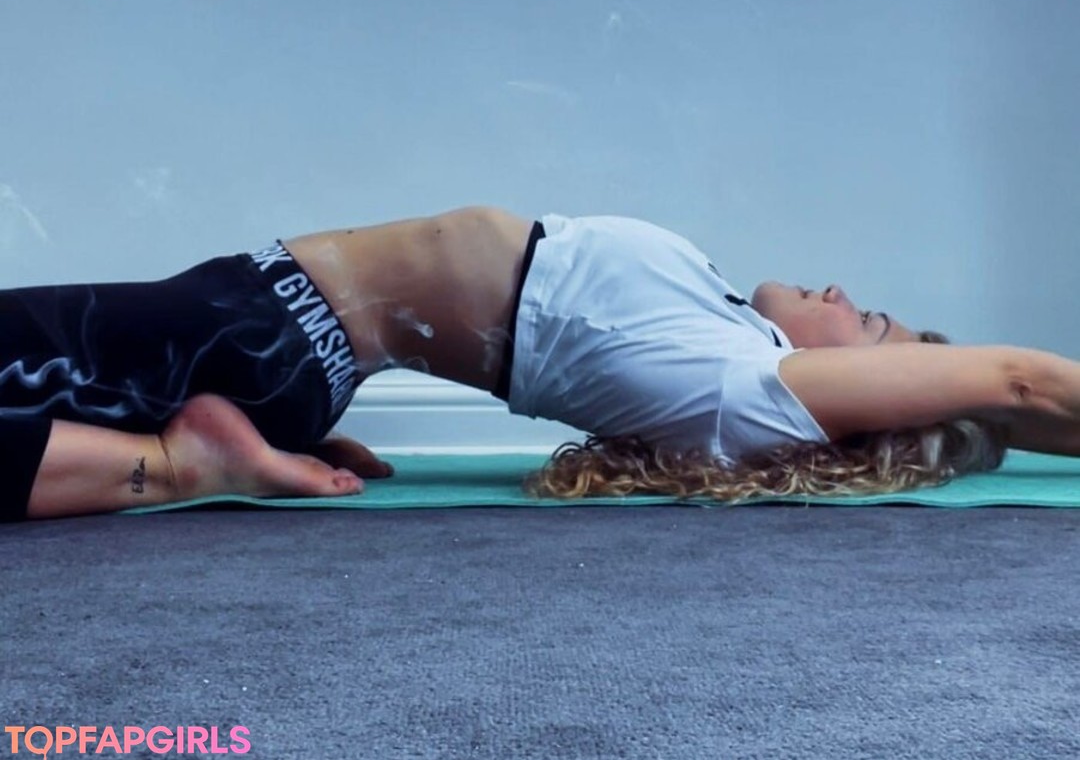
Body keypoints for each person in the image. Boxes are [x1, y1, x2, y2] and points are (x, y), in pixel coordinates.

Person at [2, 207, 1074, 522]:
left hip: (257, 331)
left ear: (864, 401)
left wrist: (975, 400)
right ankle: (188, 455)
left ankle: (182, 466)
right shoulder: (724, 335)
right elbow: (1008, 408)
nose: (843, 291)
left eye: (870, 323)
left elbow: (1016, 382)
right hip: (266, 335)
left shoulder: (749, 387)